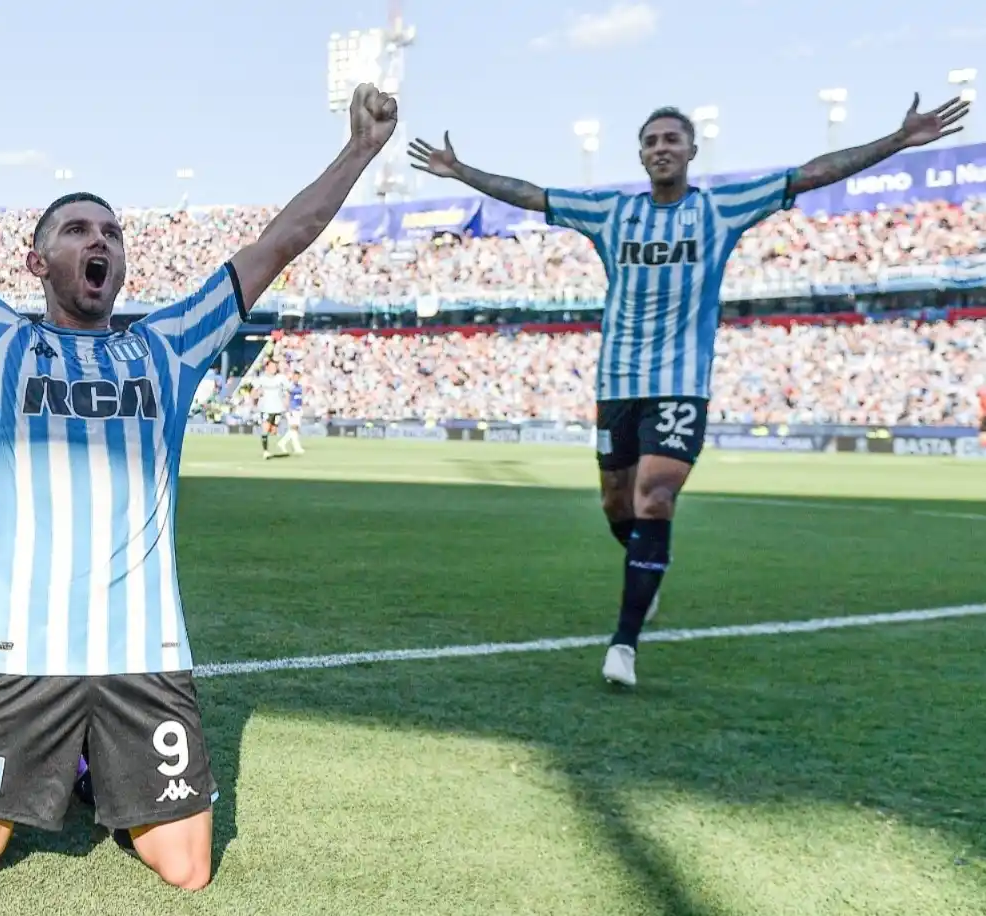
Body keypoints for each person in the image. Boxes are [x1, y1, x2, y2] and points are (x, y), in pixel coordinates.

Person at [0, 52, 397, 891]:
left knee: (187, 870)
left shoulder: (169, 342)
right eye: (78, 230)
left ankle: (97, 764)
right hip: (23, 657)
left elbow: (281, 240)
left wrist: (361, 148)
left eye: (112, 232)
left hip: (145, 654)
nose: (101, 241)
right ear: (38, 263)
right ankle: (74, 758)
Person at [409, 94, 969, 687]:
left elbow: (814, 173)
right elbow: (532, 195)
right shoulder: (610, 212)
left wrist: (896, 140)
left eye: (672, 139)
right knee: (616, 504)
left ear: (691, 151)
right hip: (617, 381)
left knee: (655, 495)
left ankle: (623, 643)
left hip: (681, 384)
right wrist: (461, 171)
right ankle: (644, 567)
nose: (661, 149)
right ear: (642, 155)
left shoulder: (723, 208)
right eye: (651, 141)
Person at [277, 370, 306, 455]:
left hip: (298, 409)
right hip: (292, 409)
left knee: (295, 429)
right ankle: (297, 447)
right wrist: (288, 409)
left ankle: (282, 443)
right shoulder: (290, 386)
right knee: (294, 428)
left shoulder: (299, 386)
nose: (296, 378)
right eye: (295, 377)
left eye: (298, 377)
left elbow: (299, 398)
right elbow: (287, 398)